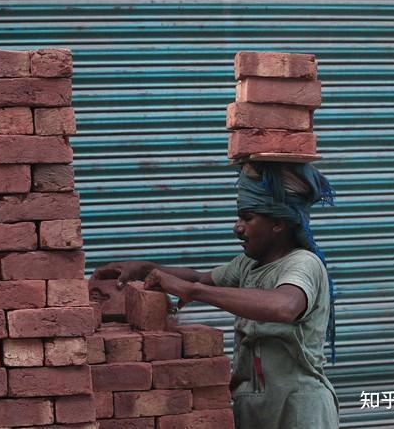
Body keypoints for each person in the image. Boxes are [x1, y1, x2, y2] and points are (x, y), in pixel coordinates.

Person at [90, 161, 339, 428]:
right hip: (254, 408)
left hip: (299, 409)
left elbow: (285, 306)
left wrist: (193, 292)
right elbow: (198, 278)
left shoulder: (303, 263)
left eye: (247, 218)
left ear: (278, 223)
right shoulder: (248, 265)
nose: (237, 227)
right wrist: (145, 269)